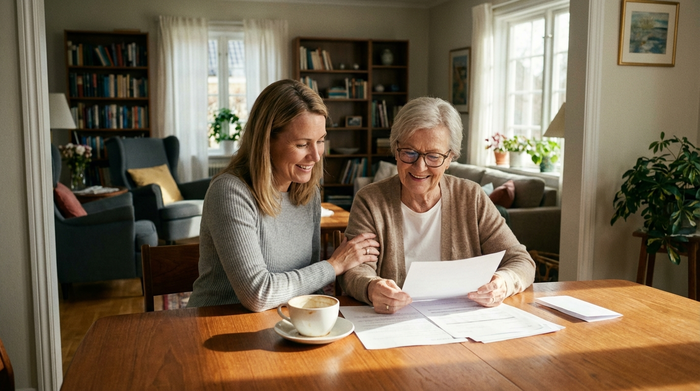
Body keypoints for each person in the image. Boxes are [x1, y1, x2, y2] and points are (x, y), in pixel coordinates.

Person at [188, 79, 379, 311]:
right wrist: (334, 265)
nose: (316, 156)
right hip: (220, 323)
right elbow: (257, 294)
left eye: (320, 141)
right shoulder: (230, 192)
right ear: (266, 141)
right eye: (302, 144)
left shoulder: (308, 194)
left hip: (280, 323)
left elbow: (309, 286)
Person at [339, 97, 535, 314]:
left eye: (433, 156)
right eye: (409, 153)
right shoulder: (371, 201)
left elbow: (521, 260)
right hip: (393, 322)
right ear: (396, 150)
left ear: (450, 158)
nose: (420, 167)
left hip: (460, 322)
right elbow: (354, 271)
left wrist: (503, 283)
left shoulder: (471, 197)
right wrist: (371, 287)